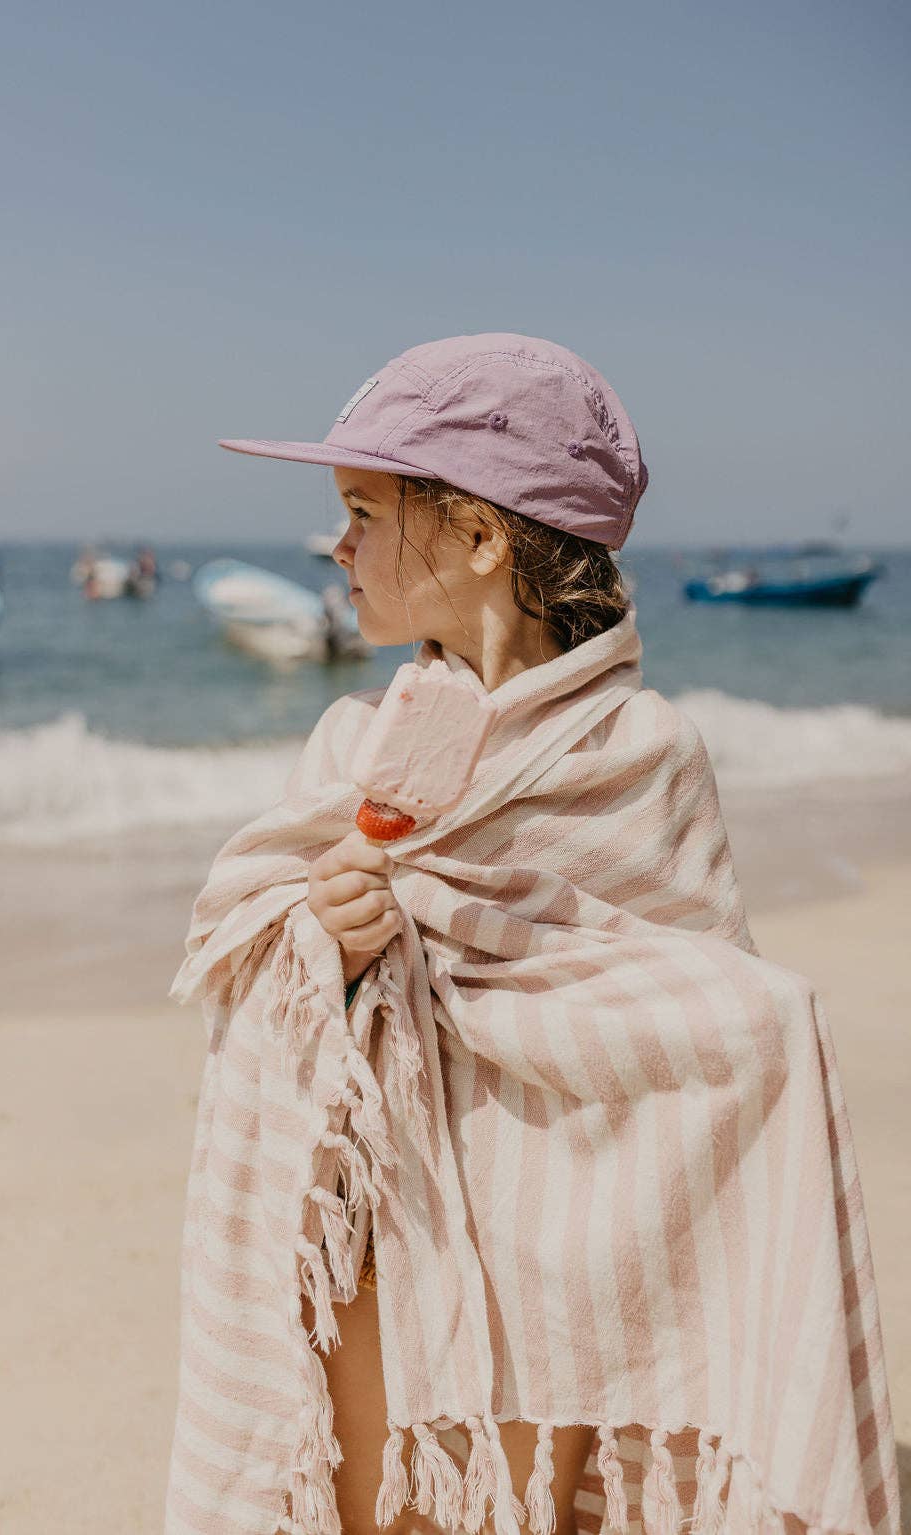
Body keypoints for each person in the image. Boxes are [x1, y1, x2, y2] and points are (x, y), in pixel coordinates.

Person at [164, 335, 897, 1535]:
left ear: (482, 538)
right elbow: (256, 991)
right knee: (378, 1499)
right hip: (385, 1225)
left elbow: (690, 1016)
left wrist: (773, 1025)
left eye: (361, 512)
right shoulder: (356, 745)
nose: (336, 548)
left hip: (567, 1240)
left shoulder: (639, 754)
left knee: (523, 1505)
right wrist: (326, 942)